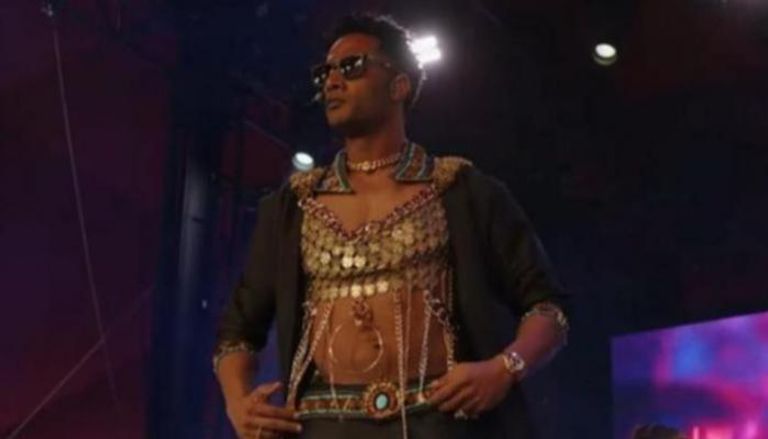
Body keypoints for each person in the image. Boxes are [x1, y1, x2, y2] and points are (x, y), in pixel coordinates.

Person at [213, 13, 570, 439]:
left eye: (351, 67)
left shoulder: (463, 191)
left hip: (438, 422)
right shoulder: (293, 206)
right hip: (321, 426)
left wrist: (504, 368)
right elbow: (237, 334)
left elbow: (548, 308)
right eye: (325, 73)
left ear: (399, 85)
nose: (332, 81)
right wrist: (237, 403)